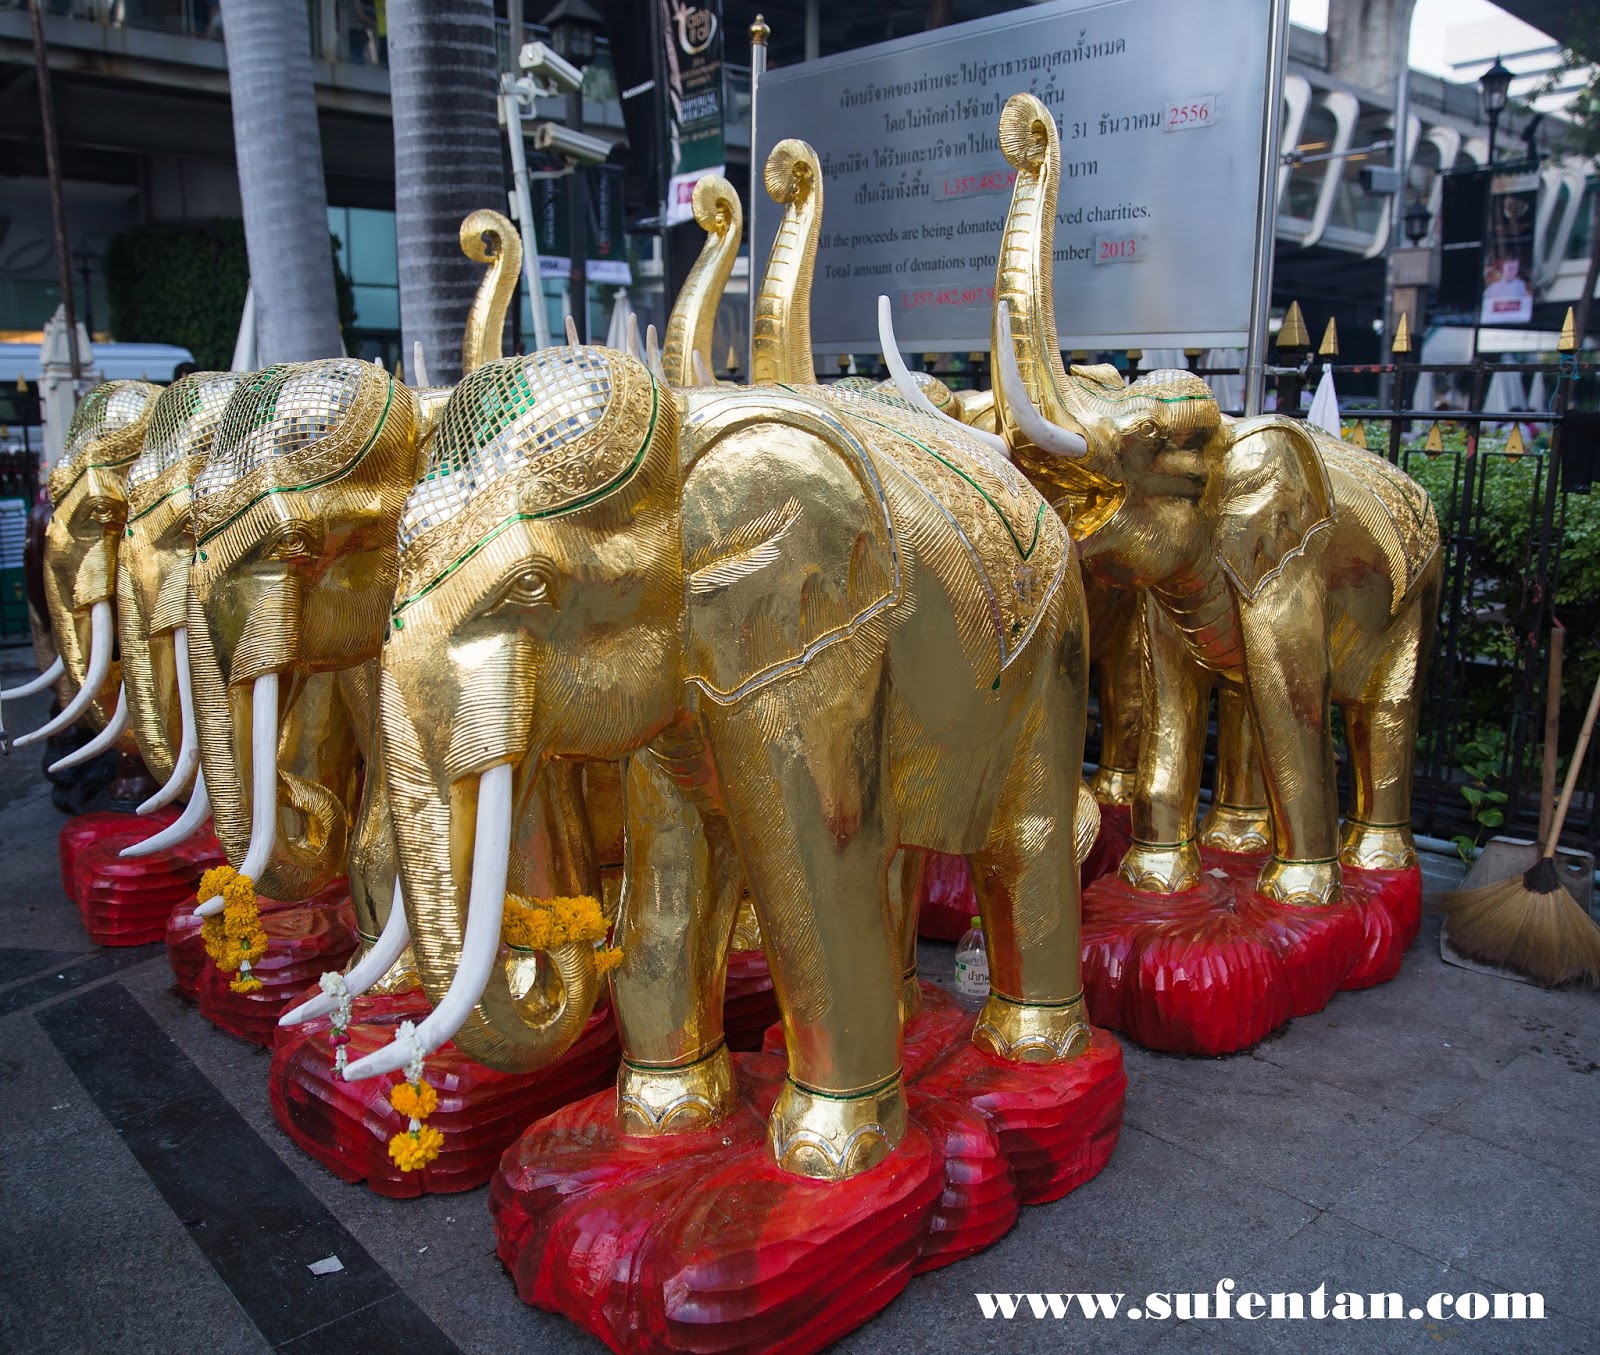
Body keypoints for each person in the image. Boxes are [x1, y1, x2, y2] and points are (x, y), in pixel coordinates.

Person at [1480, 255, 1533, 325]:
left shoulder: (1521, 285)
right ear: (1503, 268)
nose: (1512, 271)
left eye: (1515, 268)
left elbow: (1525, 307)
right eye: (1509, 268)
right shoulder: (1493, 287)